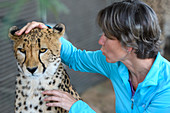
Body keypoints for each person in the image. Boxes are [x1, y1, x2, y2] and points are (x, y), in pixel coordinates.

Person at [15, 0, 170, 112]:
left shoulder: (166, 88)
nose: (100, 40)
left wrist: (77, 107)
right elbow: (75, 57)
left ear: (130, 45)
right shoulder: (117, 63)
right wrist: (45, 32)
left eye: (108, 37)